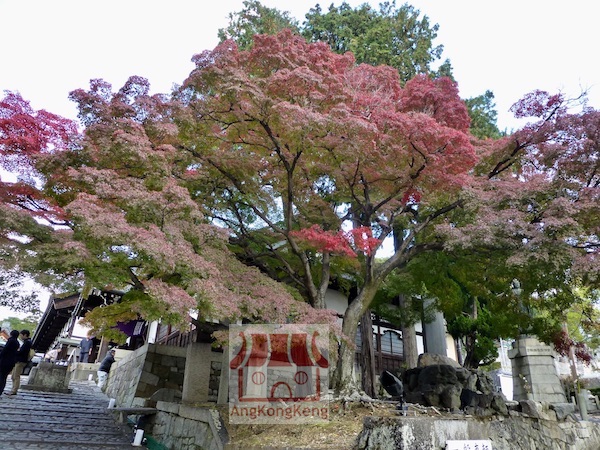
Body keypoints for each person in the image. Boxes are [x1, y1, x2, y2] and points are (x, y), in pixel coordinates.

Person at [7, 329, 32, 396]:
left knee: (16, 376)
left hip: (21, 361)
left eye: (21, 335)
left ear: (25, 335)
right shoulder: (27, 342)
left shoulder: (27, 343)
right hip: (19, 360)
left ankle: (14, 390)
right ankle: (13, 389)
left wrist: (16, 352)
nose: (20, 337)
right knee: (13, 376)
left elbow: (22, 352)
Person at [0, 330, 20, 397]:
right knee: (4, 377)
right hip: (11, 362)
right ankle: (1, 390)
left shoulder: (11, 340)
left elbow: (5, 350)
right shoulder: (17, 343)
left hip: (5, 361)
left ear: (11, 334)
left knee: (1, 376)